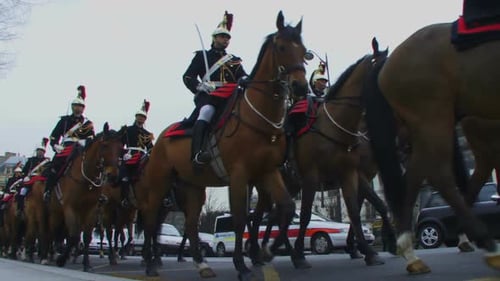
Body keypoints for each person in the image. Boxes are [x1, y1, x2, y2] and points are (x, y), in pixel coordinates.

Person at [182, 11, 247, 168]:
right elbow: (187, 77)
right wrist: (200, 86)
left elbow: (243, 76)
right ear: (215, 38)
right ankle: (197, 154)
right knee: (206, 113)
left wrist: (246, 80)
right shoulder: (202, 56)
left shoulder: (234, 60)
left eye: (227, 38)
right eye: (222, 37)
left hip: (231, 95)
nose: (225, 40)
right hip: (210, 96)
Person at [43, 85, 95, 202]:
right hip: (65, 148)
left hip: (81, 149)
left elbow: (92, 137)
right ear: (72, 107)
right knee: (54, 168)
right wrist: (55, 145)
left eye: (80, 106)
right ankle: (48, 191)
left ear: (83, 108)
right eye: (76, 105)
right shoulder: (64, 121)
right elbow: (54, 136)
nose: (78, 108)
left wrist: (84, 142)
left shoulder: (88, 123)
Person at [119, 99, 154, 207]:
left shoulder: (147, 134)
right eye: (139, 116)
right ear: (136, 117)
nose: (141, 119)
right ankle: (124, 198)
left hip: (143, 155)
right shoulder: (128, 130)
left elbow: (150, 147)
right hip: (130, 154)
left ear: (145, 119)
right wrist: (123, 154)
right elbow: (121, 144)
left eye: (143, 117)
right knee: (124, 176)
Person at [16, 138, 50, 216]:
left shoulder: (47, 161)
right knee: (22, 191)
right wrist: (25, 177)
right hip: (31, 178)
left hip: (42, 178)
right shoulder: (31, 160)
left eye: (41, 151)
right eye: (38, 151)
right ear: (36, 151)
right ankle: (20, 209)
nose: (40, 152)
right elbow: (24, 171)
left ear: (44, 152)